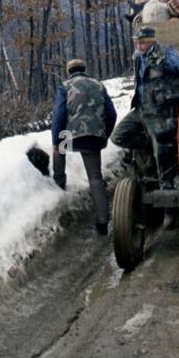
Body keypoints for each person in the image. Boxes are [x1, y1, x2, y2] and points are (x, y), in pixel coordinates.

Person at [111, 25, 179, 181]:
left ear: (151, 41)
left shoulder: (166, 55)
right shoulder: (138, 56)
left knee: (162, 150)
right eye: (137, 42)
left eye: (142, 42)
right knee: (118, 136)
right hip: (141, 109)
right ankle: (147, 148)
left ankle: (166, 184)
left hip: (160, 112)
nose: (139, 45)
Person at [51, 58, 117, 236]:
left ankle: (59, 182)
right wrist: (104, 134)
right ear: (84, 69)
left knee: (59, 149)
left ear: (69, 71)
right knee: (95, 178)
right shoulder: (99, 85)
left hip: (73, 136)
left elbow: (59, 115)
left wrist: (56, 141)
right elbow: (112, 114)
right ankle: (103, 223)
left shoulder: (65, 87)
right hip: (94, 137)